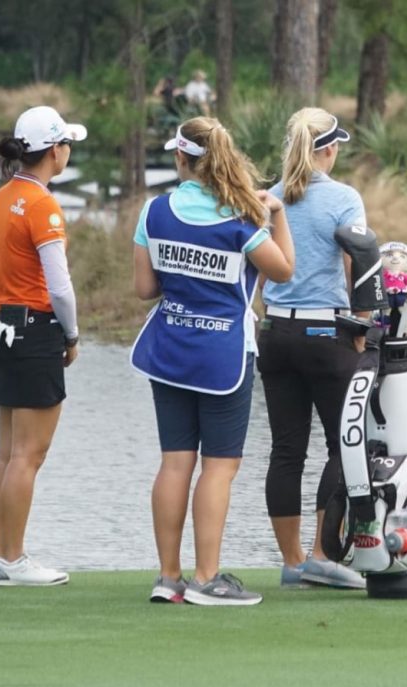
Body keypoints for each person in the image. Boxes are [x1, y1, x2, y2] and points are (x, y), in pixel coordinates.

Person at [131, 116, 295, 605]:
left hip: (169, 350)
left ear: (181, 159)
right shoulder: (243, 219)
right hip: (223, 356)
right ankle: (206, 579)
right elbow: (284, 271)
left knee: (174, 463)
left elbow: (144, 289)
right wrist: (278, 216)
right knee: (218, 468)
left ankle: (169, 578)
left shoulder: (153, 211)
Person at [257, 107, 368, 589]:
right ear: (329, 149)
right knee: (345, 447)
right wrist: (363, 327)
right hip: (326, 336)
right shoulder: (344, 198)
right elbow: (358, 264)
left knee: (286, 450)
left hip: (276, 334)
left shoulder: (270, 195)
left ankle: (293, 560)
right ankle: (322, 554)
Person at [0, 105, 86, 586]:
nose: (69, 151)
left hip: (2, 330)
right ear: (55, 150)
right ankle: (14, 560)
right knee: (28, 455)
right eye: (67, 143)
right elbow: (60, 286)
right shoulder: (43, 205)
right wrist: (71, 334)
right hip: (33, 330)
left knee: (8, 453)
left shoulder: (4, 197)